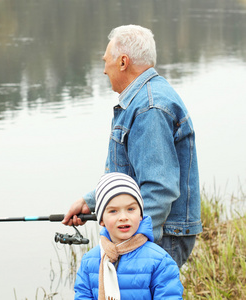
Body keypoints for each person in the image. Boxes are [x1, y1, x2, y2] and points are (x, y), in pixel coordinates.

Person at [63, 24, 202, 268]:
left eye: (106, 60)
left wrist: (129, 243)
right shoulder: (144, 99)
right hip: (153, 233)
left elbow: (159, 188)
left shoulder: (149, 108)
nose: (104, 70)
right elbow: (131, 177)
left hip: (158, 236)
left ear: (123, 62)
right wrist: (92, 201)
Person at [74, 172, 183, 299]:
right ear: (101, 219)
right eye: (113, 211)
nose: (123, 217)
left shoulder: (160, 261)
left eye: (130, 209)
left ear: (141, 214)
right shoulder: (89, 261)